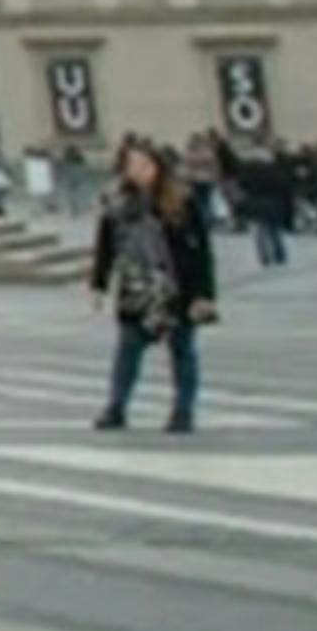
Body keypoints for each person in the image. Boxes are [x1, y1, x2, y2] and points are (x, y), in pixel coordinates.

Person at [88, 137, 211, 438]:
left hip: (176, 286)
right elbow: (105, 247)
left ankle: (183, 411)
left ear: (158, 167)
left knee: (182, 350)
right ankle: (116, 407)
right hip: (137, 288)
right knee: (128, 351)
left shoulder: (181, 201)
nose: (138, 171)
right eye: (132, 165)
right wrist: (99, 284)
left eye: (144, 165)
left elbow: (201, 251)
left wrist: (205, 293)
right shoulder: (116, 203)